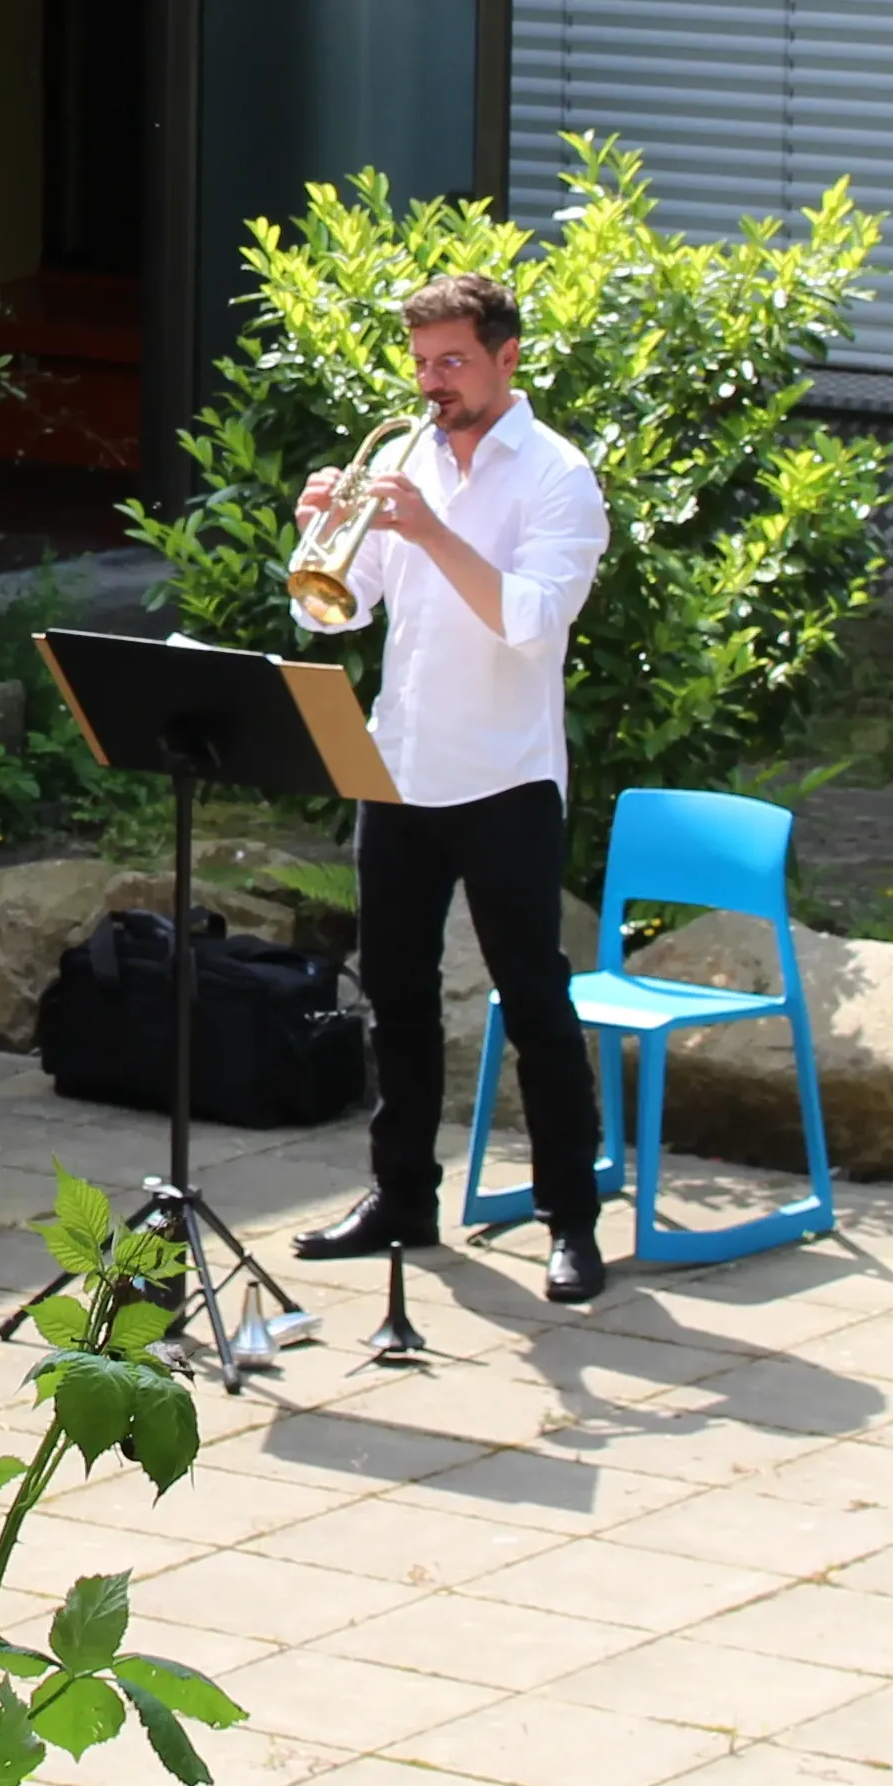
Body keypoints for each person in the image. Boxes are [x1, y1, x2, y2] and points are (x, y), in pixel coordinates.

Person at [287, 272, 616, 1302]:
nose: (434, 384)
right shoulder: (404, 458)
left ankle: (571, 1220)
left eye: (455, 362)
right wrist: (318, 535)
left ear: (507, 357)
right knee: (396, 995)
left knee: (535, 1000)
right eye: (423, 364)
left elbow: (531, 619)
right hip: (400, 766)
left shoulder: (558, 476)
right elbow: (338, 612)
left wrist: (431, 531)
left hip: (506, 775)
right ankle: (401, 1197)